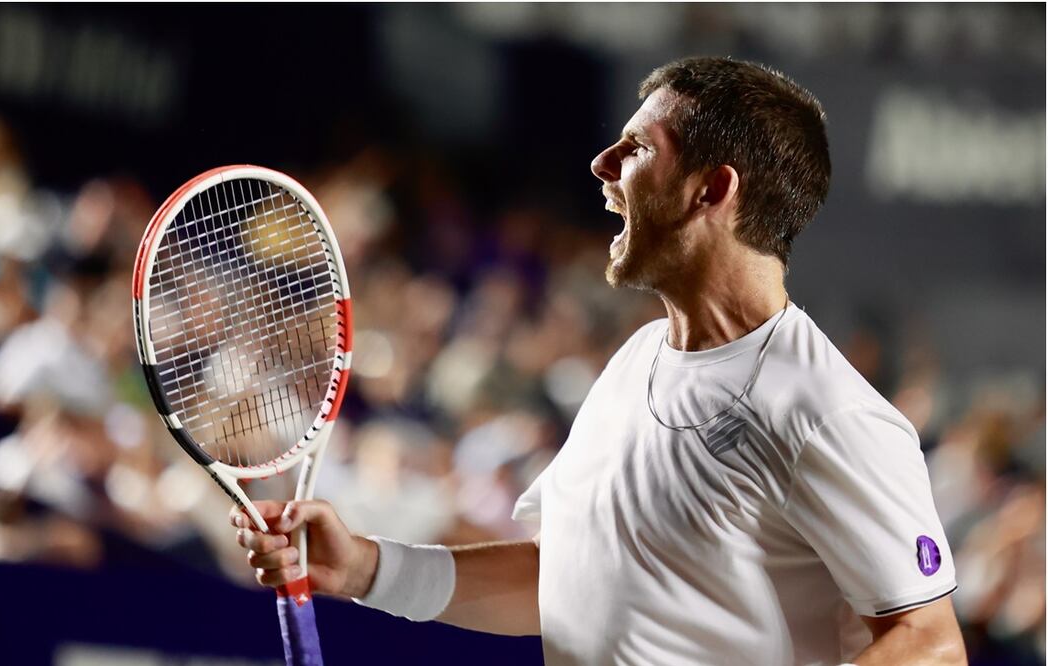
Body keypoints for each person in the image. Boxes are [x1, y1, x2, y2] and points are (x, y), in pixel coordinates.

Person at [230, 57, 966, 665]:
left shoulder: (824, 409)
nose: (601, 164)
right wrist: (364, 568)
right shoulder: (634, 360)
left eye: (637, 148)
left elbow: (929, 643)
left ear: (714, 189)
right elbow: (565, 582)